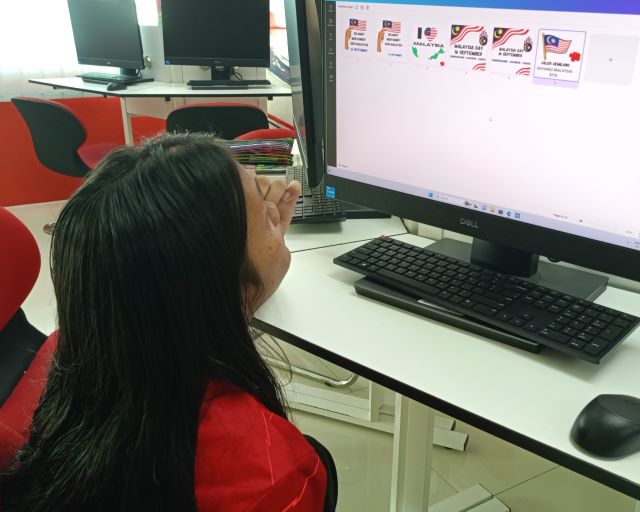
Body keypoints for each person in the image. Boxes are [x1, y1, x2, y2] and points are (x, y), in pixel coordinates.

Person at [0, 133, 337, 511]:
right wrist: (253, 262)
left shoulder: (92, 357)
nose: (274, 208)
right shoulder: (274, 480)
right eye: (263, 206)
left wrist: (253, 263)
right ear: (215, 277)